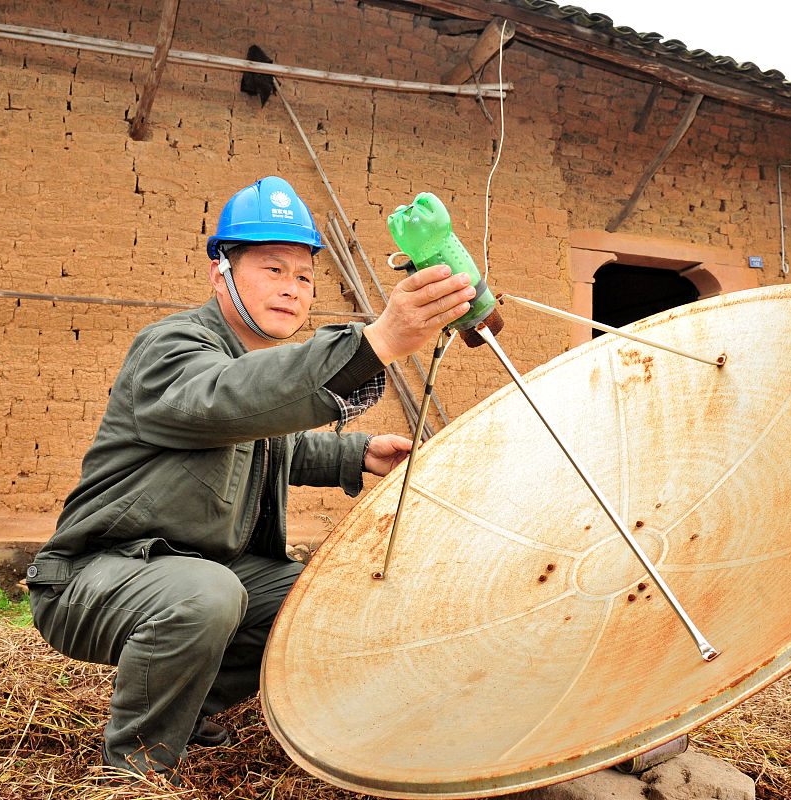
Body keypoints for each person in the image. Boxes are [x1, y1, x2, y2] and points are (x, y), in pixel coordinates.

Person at [24, 176, 476, 783]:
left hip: (201, 574)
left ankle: (187, 708)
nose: (291, 289)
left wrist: (356, 455)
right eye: (271, 269)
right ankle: (134, 769)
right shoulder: (173, 348)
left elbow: (263, 441)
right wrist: (378, 343)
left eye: (303, 276)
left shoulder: (249, 365)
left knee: (326, 601)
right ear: (221, 274)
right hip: (99, 573)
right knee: (206, 596)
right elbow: (226, 404)